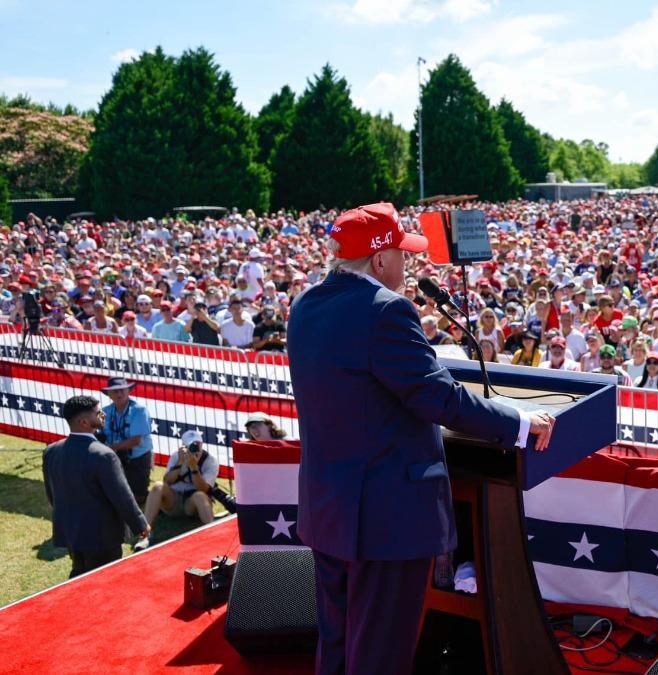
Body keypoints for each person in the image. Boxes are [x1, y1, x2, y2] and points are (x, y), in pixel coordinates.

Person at [286, 202, 555, 675]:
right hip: (385, 518)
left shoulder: (305, 305)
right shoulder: (386, 310)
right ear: (379, 260)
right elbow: (439, 399)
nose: (407, 264)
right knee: (378, 654)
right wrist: (518, 422)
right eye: (401, 253)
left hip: (328, 508)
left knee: (337, 645)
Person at [42, 395, 150, 578]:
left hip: (72, 532)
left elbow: (52, 494)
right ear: (83, 421)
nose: (104, 415)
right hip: (101, 536)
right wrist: (140, 524)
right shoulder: (104, 455)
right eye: (98, 412)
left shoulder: (51, 451)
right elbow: (121, 497)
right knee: (103, 583)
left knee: (79, 574)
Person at [137, 430, 219, 550]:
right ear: (183, 447)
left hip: (192, 504)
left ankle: (214, 533)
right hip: (173, 500)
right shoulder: (177, 456)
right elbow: (167, 481)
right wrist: (180, 463)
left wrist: (194, 468)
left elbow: (204, 489)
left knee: (200, 496)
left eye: (197, 444)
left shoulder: (210, 461)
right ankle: (145, 534)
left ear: (202, 444)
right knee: (158, 486)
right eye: (191, 445)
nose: (195, 448)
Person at [99, 377, 154, 508]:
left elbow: (136, 441)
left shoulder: (139, 411)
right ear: (109, 395)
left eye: (122, 390)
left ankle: (147, 498)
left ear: (128, 391)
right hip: (115, 455)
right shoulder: (105, 411)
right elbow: (101, 434)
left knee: (137, 497)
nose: (119, 394)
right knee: (115, 492)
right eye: (115, 391)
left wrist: (111, 448)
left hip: (138, 456)